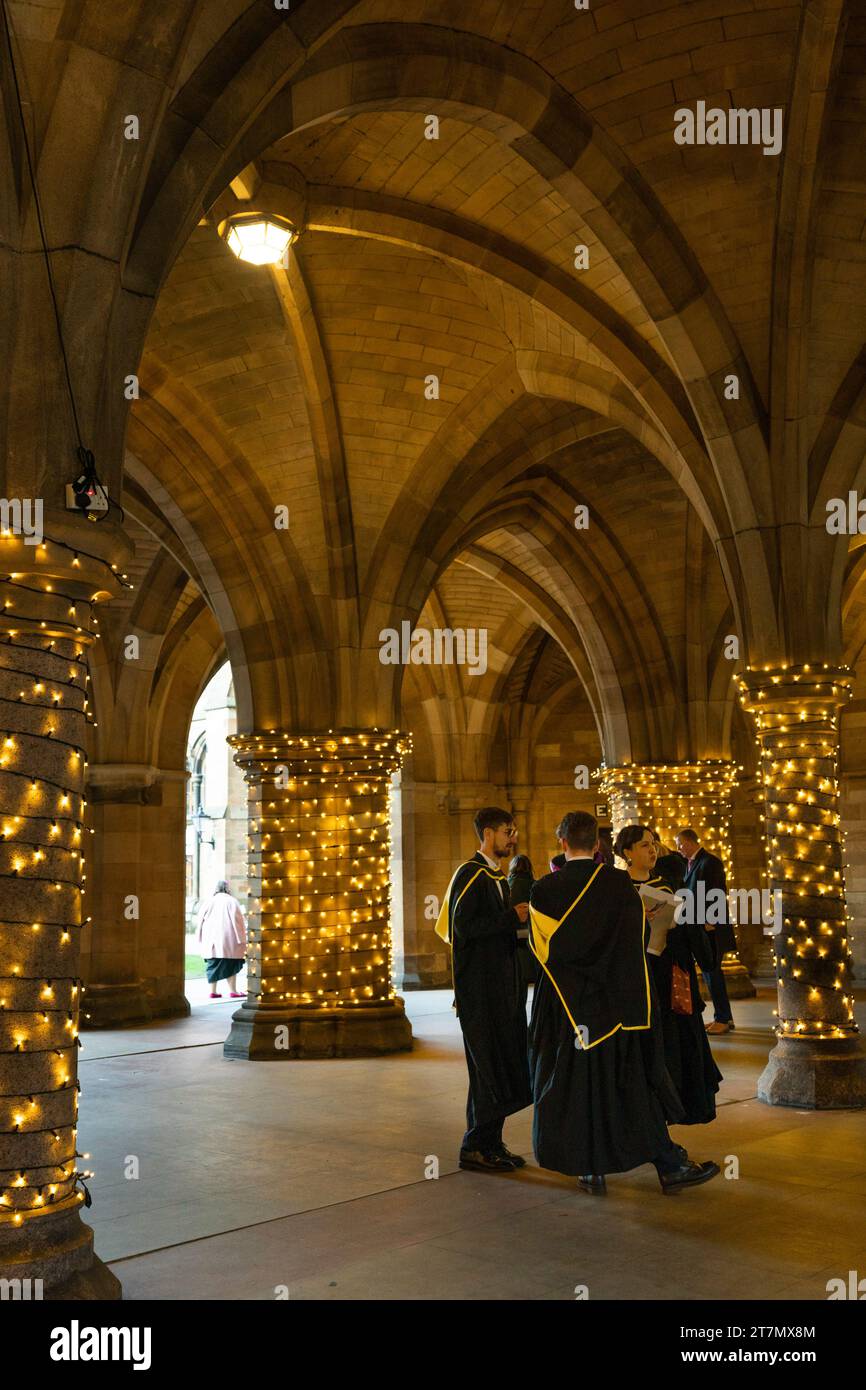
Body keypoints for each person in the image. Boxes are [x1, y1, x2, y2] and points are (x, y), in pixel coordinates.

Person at [528, 810, 720, 1196]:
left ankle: (590, 1168)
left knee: (577, 1089)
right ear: (597, 845)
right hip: (617, 1009)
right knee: (630, 1085)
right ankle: (668, 1165)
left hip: (569, 1013)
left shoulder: (543, 890)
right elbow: (637, 947)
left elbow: (544, 954)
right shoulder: (618, 885)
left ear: (563, 843)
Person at [435, 808, 533, 1173]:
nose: (513, 838)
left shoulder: (497, 877)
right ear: (489, 833)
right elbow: (463, 930)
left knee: (503, 1065)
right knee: (486, 1070)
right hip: (480, 995)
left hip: (503, 992)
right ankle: (475, 1146)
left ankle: (491, 1141)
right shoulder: (469, 875)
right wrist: (512, 918)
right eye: (508, 831)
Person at [616, 825, 721, 1125]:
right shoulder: (618, 889)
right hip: (635, 979)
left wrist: (683, 924)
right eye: (644, 845)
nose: (652, 850)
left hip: (669, 977)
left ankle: (674, 1105)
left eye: (653, 844)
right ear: (627, 852)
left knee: (674, 1043)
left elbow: (691, 933)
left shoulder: (669, 887)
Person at [675, 828, 736, 1035]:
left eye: (680, 844)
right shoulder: (690, 863)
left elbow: (717, 892)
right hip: (700, 926)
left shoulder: (710, 862)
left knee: (713, 973)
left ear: (690, 842)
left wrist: (711, 920)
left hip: (711, 928)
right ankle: (723, 1016)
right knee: (710, 974)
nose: (678, 849)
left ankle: (723, 1019)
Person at [196, 880, 247, 999]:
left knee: (213, 963)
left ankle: (213, 991)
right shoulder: (232, 901)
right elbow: (238, 921)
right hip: (229, 939)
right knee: (230, 963)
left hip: (211, 939)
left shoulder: (209, 901)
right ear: (228, 889)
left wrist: (199, 937)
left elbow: (200, 921)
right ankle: (233, 990)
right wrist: (242, 939)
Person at [508, 853, 539, 991]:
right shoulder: (536, 886)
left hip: (513, 939)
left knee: (517, 988)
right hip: (532, 938)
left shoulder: (507, 885)